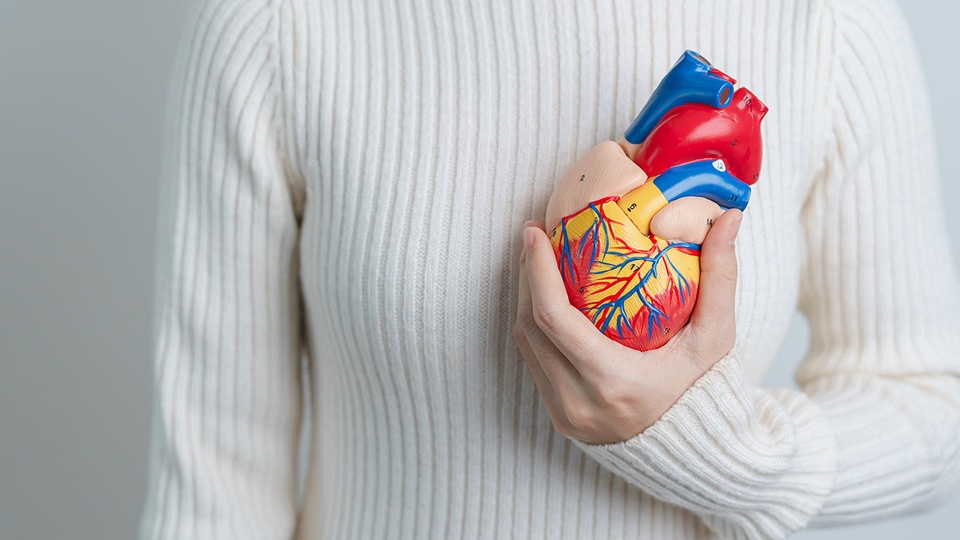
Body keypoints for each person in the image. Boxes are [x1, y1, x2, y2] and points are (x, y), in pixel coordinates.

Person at [140, 0, 960, 538]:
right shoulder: (278, 27)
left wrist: (722, 451)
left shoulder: (826, 23)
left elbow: (931, 402)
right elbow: (215, 477)